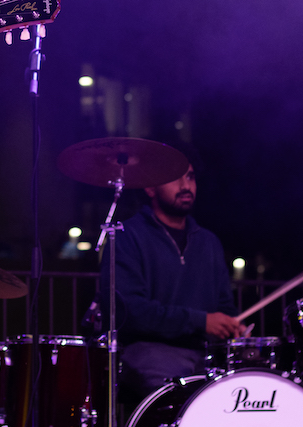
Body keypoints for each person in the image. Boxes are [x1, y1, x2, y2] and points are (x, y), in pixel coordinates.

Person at [100, 162, 244, 404]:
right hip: (147, 352)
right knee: (183, 400)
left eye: (190, 176)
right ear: (150, 188)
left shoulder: (209, 242)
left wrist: (232, 325)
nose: (186, 185)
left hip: (205, 354)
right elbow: (131, 312)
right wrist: (202, 321)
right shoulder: (127, 236)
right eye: (175, 177)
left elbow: (224, 306)